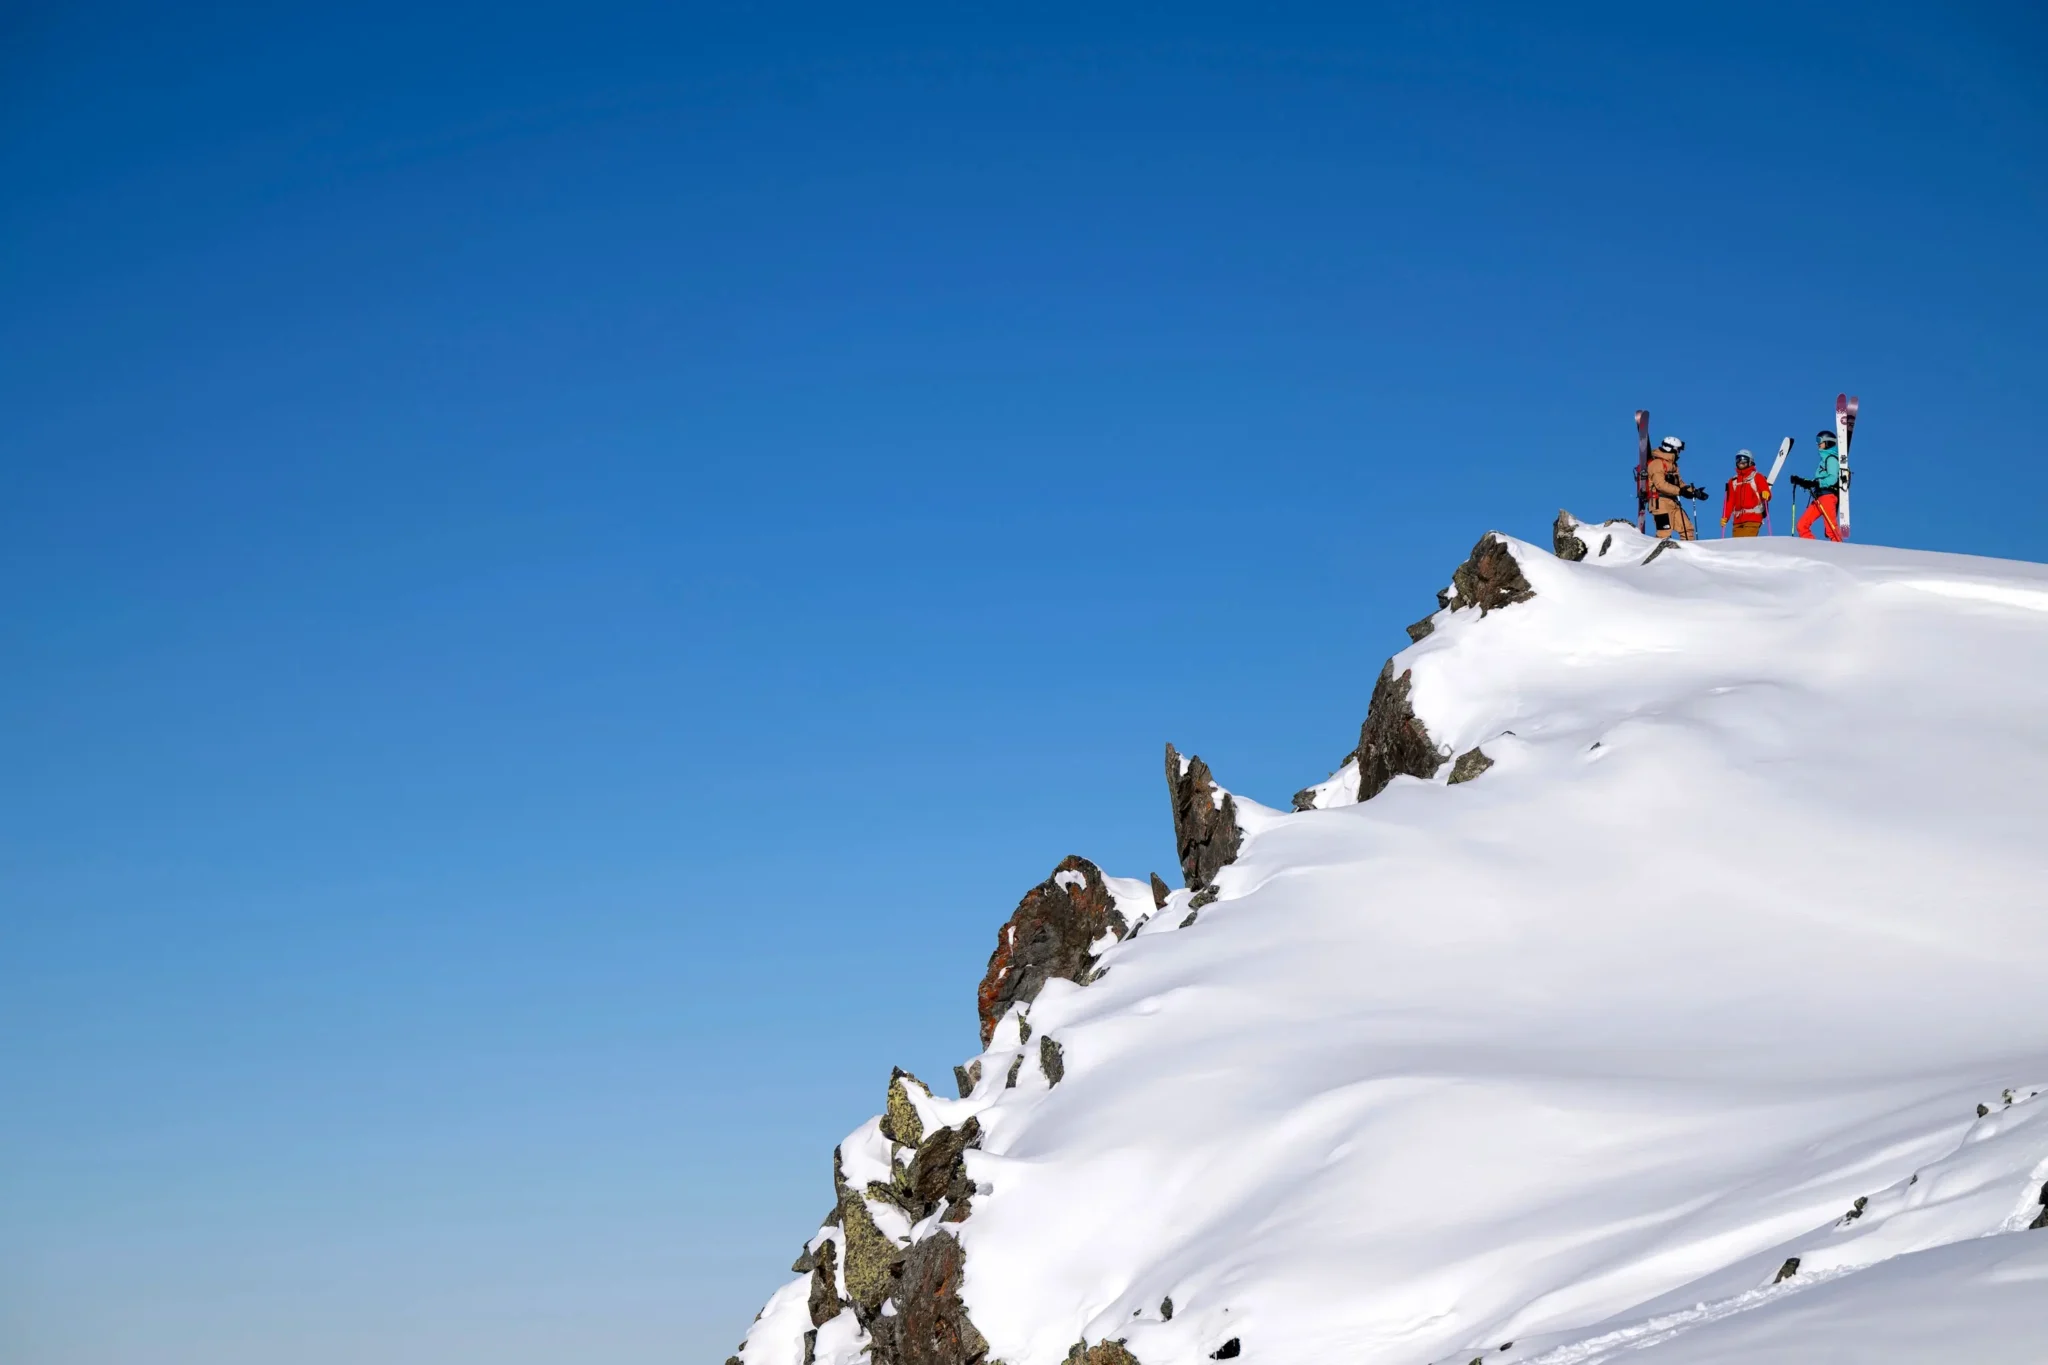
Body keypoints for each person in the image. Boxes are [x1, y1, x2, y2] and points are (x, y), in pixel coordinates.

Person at [1791, 429, 1844, 541]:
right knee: (1802, 525)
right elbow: (1817, 480)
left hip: (1828, 497)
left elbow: (1832, 478)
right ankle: (1813, 550)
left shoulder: (1831, 459)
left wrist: (1817, 483)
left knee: (1831, 529)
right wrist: (1801, 481)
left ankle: (1840, 553)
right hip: (1819, 497)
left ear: (1828, 442)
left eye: (1820, 441)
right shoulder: (1823, 460)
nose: (1817, 444)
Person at [1646, 436, 1697, 541]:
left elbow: (1680, 484)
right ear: (1671, 449)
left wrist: (1694, 492)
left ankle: (1688, 555)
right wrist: (1680, 491)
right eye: (1678, 450)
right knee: (1664, 533)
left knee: (1687, 529)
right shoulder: (1657, 464)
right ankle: (1660, 556)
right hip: (1660, 503)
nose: (1678, 453)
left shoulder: (1673, 466)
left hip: (1673, 502)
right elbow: (1660, 484)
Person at [1721, 450, 1772, 537]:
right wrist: (1725, 516)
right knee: (1737, 548)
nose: (1740, 462)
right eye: (1738, 459)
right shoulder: (1733, 481)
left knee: (1746, 545)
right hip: (1737, 522)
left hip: (1752, 519)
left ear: (1750, 461)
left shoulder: (1757, 477)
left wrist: (1766, 493)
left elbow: (1765, 491)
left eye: (1744, 460)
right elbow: (1729, 502)